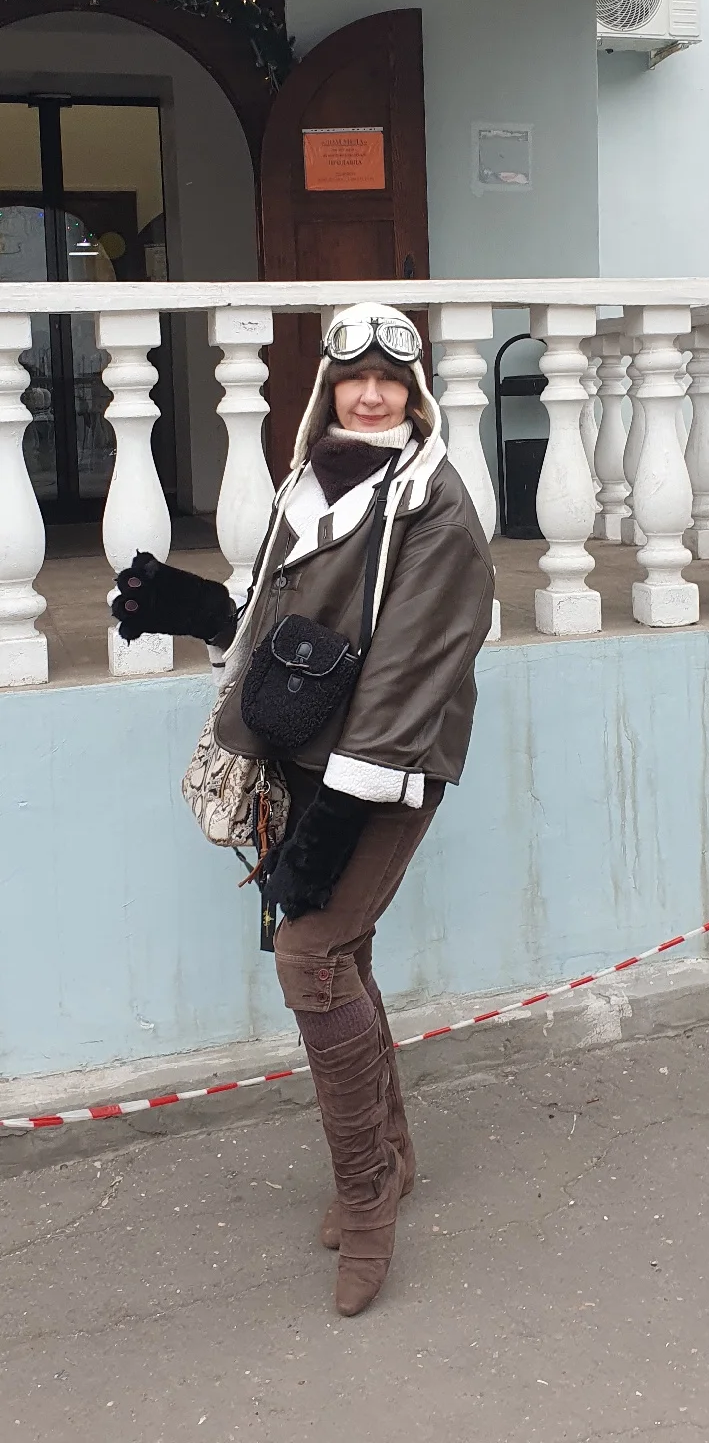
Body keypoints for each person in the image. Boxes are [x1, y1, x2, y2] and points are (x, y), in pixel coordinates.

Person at [112, 304, 495, 1317]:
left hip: (390, 762)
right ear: (328, 386)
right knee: (344, 950)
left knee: (310, 954)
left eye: (387, 379)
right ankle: (394, 1156)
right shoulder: (308, 479)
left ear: (415, 392)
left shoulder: (434, 501)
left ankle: (366, 1204)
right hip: (307, 753)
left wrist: (329, 826)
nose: (369, 394)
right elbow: (279, 618)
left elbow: (411, 670)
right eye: (351, 377)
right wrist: (197, 608)